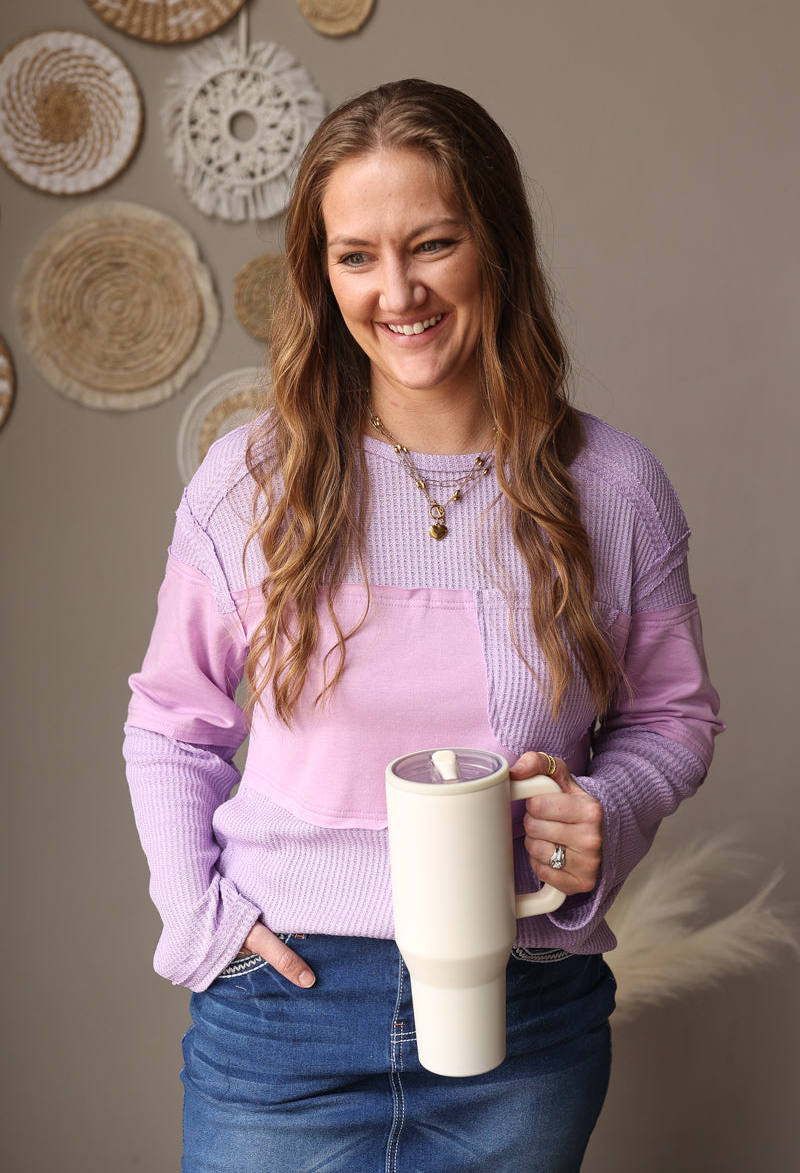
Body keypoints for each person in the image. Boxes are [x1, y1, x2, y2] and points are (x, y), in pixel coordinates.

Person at [124, 79, 723, 1173]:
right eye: (354, 256)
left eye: (430, 243)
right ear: (322, 277)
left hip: (526, 1018)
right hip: (281, 1017)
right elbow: (170, 721)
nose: (394, 291)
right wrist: (204, 929)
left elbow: (671, 718)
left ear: (495, 243)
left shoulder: (614, 488)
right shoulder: (247, 484)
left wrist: (607, 809)